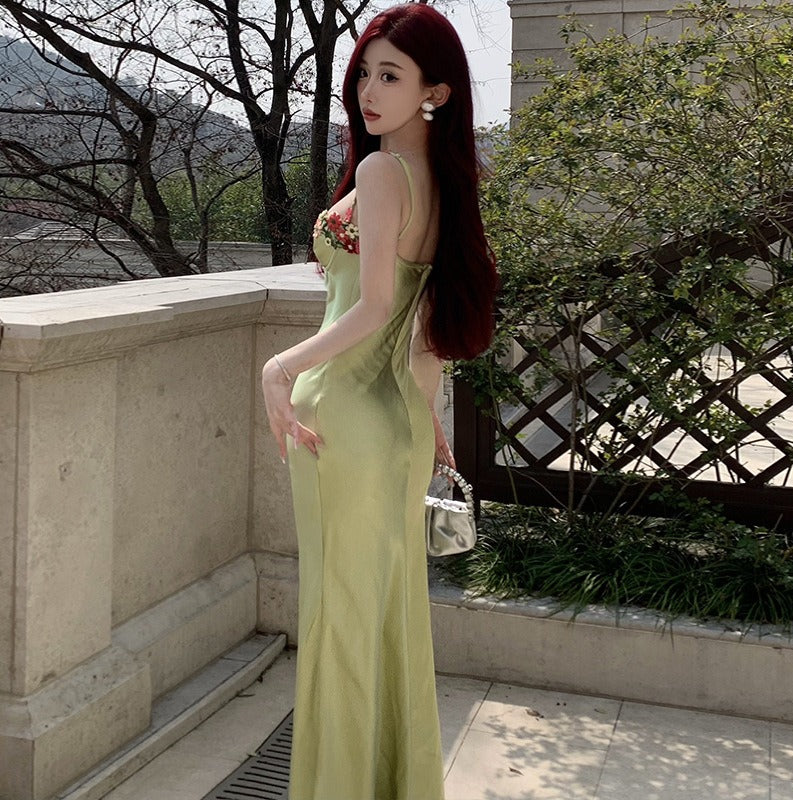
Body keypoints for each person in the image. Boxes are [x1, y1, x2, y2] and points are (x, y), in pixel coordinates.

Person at [261, 5, 496, 799]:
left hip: (342, 421)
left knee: (341, 620)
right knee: (390, 617)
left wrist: (278, 366)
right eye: (364, 72)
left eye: (390, 75)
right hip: (393, 426)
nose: (368, 89)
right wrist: (427, 422)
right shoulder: (442, 183)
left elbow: (372, 308)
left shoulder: (383, 174)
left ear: (436, 91)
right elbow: (422, 333)